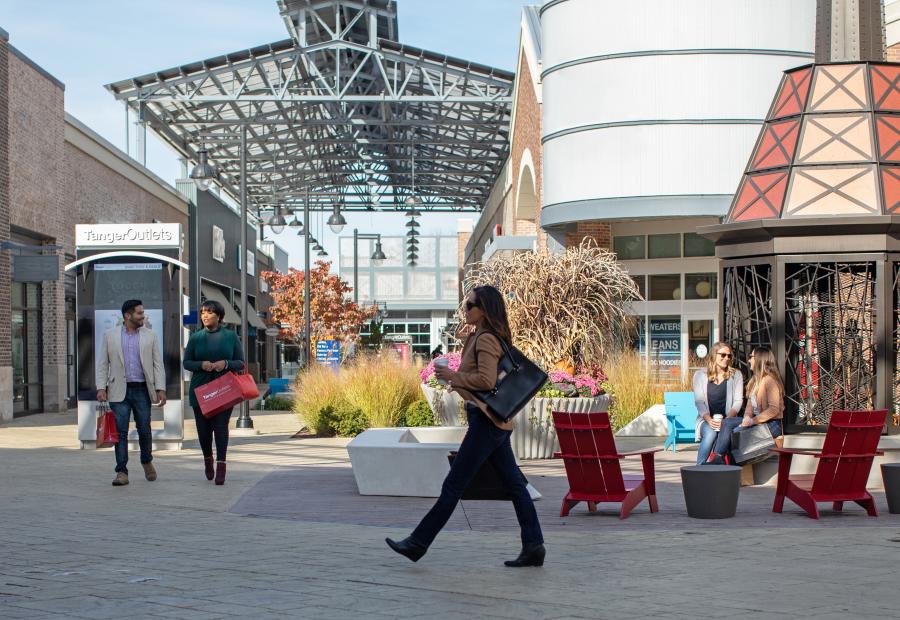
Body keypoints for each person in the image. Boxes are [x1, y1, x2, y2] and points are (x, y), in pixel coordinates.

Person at [386, 285, 545, 568]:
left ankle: (417, 543)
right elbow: (479, 380)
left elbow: (486, 382)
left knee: (454, 485)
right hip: (493, 421)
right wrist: (457, 378)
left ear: (483, 309)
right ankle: (534, 546)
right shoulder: (480, 336)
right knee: (515, 485)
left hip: (485, 422)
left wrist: (454, 376)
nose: (465, 309)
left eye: (470, 305)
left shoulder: (485, 339)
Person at [96, 299, 166, 487]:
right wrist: (101, 388)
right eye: (139, 313)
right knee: (121, 432)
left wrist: (161, 388)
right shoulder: (110, 336)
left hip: (142, 389)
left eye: (143, 313)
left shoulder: (150, 336)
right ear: (128, 316)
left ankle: (146, 460)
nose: (143, 316)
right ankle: (121, 471)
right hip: (119, 391)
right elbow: (103, 364)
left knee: (144, 429)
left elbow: (157, 364)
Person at [183, 300, 245, 485]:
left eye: (209, 313)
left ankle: (221, 465)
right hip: (200, 391)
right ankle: (208, 459)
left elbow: (240, 362)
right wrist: (202, 365)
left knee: (220, 429)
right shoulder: (195, 337)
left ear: (219, 316)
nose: (205, 316)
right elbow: (186, 362)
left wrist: (225, 363)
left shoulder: (230, 336)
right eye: (203, 312)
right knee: (203, 432)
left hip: (224, 389)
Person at [707, 347, 784, 464]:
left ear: (759, 360)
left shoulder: (770, 381)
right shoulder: (755, 381)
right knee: (727, 422)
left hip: (772, 424)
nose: (749, 361)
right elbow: (749, 406)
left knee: (736, 432)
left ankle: (726, 464)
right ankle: (718, 457)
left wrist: (752, 421)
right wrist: (747, 416)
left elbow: (774, 410)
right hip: (758, 421)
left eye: (751, 357)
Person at [692, 342, 743, 464]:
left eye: (729, 356)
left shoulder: (736, 375)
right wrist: (709, 420)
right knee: (710, 433)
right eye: (723, 355)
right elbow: (699, 402)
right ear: (714, 355)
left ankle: (720, 467)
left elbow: (738, 401)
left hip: (728, 420)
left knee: (728, 434)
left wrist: (727, 420)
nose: (726, 358)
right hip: (706, 420)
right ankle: (699, 468)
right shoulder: (699, 375)